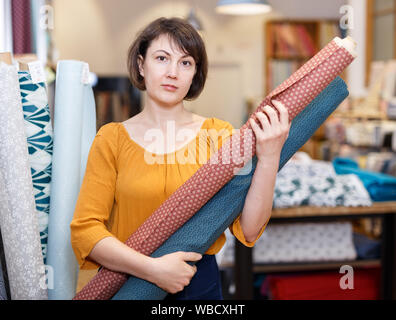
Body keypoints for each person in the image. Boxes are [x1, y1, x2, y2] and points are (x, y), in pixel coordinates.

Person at [70, 17, 290, 300]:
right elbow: (85, 231)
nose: (173, 72)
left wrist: (270, 158)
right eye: (162, 58)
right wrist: (152, 269)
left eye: (185, 63)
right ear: (141, 64)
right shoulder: (111, 139)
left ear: (195, 73)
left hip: (199, 285)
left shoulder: (219, 136)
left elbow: (248, 228)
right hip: (130, 281)